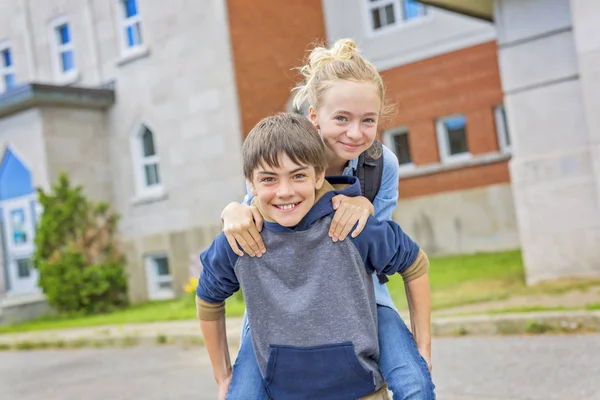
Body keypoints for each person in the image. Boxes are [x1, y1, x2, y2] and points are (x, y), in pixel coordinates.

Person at [220, 39, 435, 399]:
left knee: (416, 384)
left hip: (359, 300)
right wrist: (232, 211)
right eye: (342, 118)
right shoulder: (283, 153)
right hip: (280, 307)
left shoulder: (382, 166)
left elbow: (380, 252)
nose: (355, 133)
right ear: (314, 116)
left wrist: (365, 208)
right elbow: (256, 217)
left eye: (368, 120)